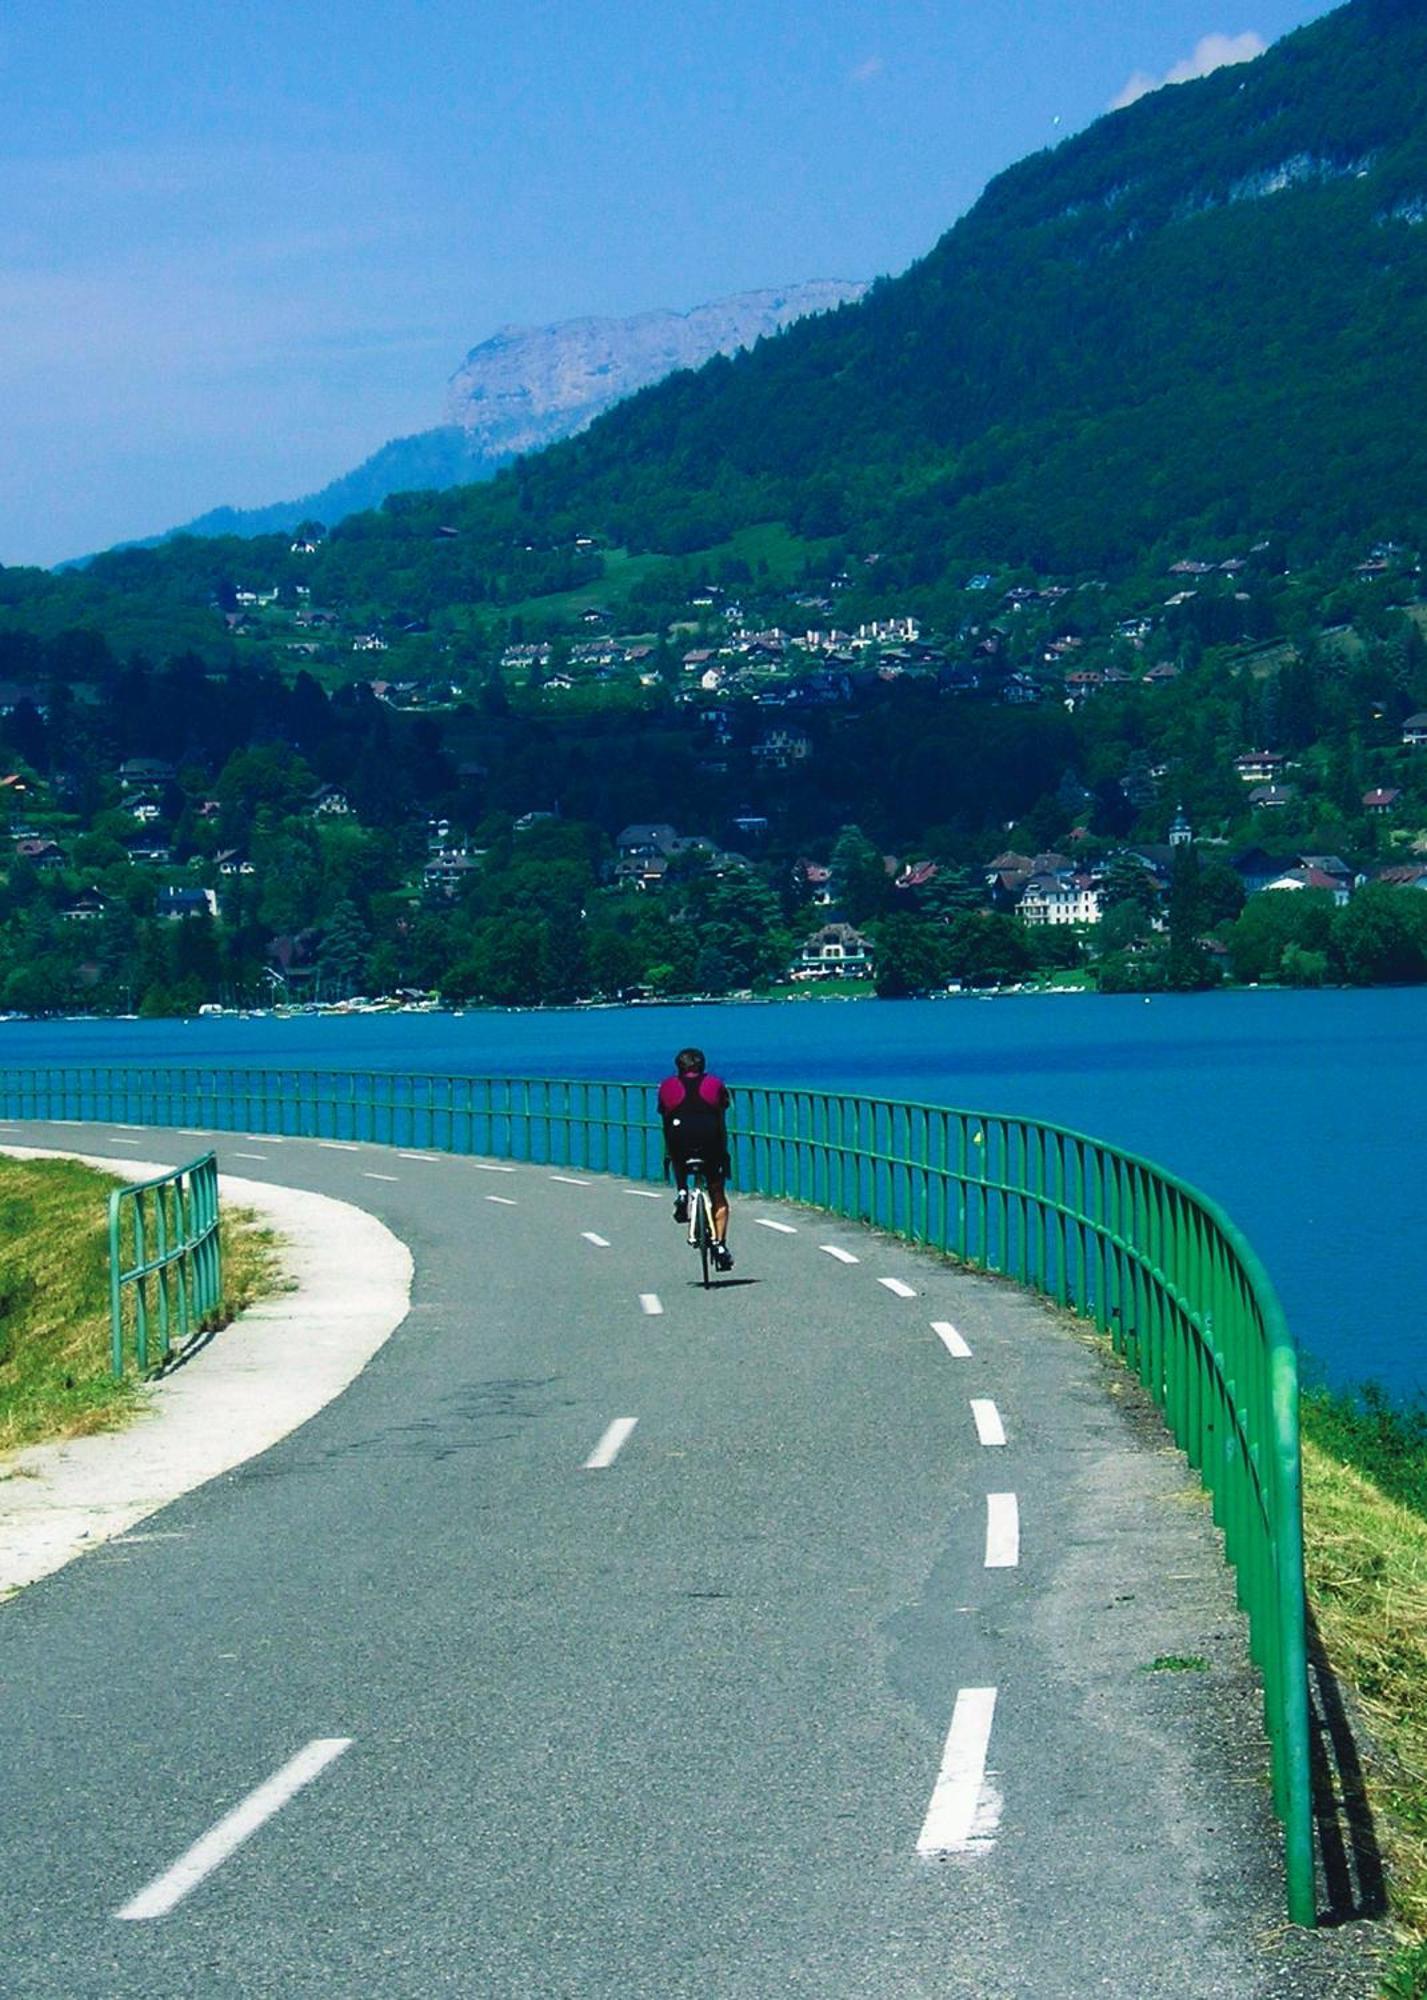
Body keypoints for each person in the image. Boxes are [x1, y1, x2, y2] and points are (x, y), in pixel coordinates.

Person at [657, 1046, 734, 1271]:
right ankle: (720, 1245)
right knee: (717, 1193)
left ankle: (682, 1191)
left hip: (679, 1141)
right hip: (710, 1143)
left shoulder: (667, 1086)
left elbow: (663, 1112)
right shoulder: (715, 1083)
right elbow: (723, 1108)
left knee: (677, 1152)